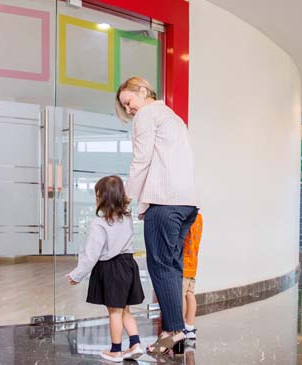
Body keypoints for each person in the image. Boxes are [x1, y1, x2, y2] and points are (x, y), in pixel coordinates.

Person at [115, 76, 198, 355]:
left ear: (142, 90)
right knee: (173, 267)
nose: (128, 110)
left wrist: (126, 198)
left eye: (129, 102)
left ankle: (174, 330)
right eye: (124, 107)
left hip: (164, 203)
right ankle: (171, 331)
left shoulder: (147, 115)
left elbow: (142, 159)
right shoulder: (173, 117)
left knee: (161, 267)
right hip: (188, 204)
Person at [66, 175, 145, 363]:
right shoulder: (126, 218)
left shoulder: (99, 223)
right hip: (128, 265)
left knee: (114, 312)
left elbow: (92, 253)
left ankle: (115, 351)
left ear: (101, 197)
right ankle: (135, 344)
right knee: (125, 309)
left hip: (111, 268)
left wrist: (77, 274)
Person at [182, 212, 203, 340]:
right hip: (193, 261)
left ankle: (179, 327)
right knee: (190, 293)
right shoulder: (200, 218)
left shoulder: (187, 218)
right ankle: (189, 327)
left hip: (183, 261)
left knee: (181, 295)